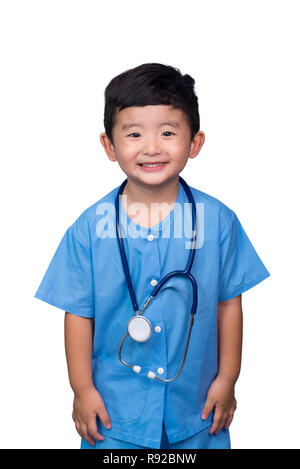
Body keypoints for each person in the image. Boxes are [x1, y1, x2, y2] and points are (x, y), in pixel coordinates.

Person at [34, 63, 270, 449]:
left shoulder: (219, 222)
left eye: (167, 132)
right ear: (109, 146)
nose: (151, 147)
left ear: (194, 142)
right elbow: (78, 313)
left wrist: (227, 379)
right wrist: (81, 390)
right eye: (134, 133)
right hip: (114, 417)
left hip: (197, 413)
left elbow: (230, 305)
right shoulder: (90, 229)